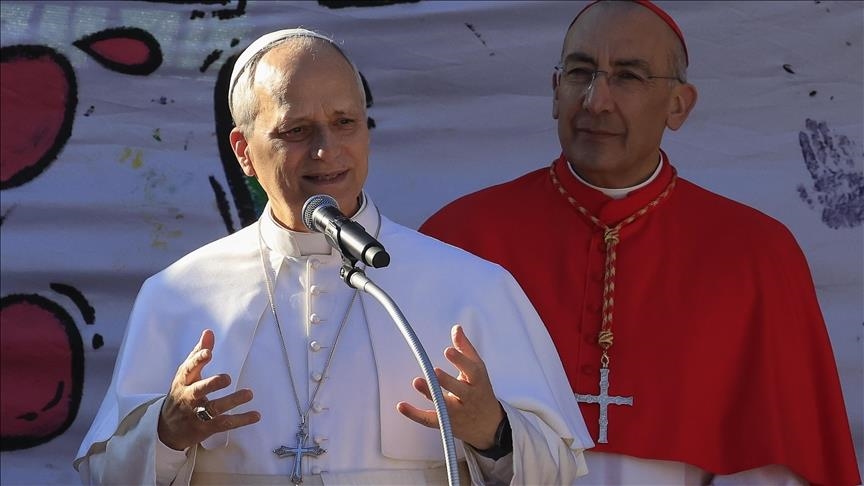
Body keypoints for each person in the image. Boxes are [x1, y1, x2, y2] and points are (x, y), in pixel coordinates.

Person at [74, 28, 593, 485]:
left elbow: (558, 471)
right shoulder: (177, 294)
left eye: (345, 122)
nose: (326, 150)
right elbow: (107, 474)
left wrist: (494, 432)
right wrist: (164, 435)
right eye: (296, 131)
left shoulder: (471, 285)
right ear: (243, 151)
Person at [421, 1, 861, 485]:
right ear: (554, 90)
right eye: (580, 72)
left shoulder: (755, 255)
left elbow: (779, 460)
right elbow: (415, 448)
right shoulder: (460, 238)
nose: (595, 100)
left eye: (628, 77)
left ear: (679, 105)